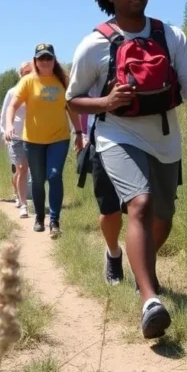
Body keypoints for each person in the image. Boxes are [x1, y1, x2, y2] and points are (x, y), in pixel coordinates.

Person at [66, 0, 187, 340]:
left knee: (163, 218)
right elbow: (73, 100)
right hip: (117, 134)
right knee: (140, 203)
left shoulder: (172, 36)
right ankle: (150, 299)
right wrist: (105, 103)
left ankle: (139, 269)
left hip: (165, 137)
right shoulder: (94, 44)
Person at [4, 44, 84, 237]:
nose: (45, 62)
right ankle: (40, 216)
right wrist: (8, 125)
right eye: (41, 58)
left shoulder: (63, 81)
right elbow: (12, 106)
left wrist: (80, 133)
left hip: (59, 138)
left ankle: (54, 221)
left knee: (55, 175)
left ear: (54, 60)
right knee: (38, 180)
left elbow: (71, 109)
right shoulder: (28, 81)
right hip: (33, 140)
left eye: (48, 58)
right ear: (35, 61)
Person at [77, 112, 125, 286]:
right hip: (101, 140)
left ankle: (146, 271)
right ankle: (113, 253)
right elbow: (80, 94)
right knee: (110, 210)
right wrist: (82, 133)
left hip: (143, 138)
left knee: (145, 208)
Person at [0, 61, 34, 218]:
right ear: (20, 74)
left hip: (34, 137)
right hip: (16, 137)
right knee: (22, 168)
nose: (28, 75)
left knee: (30, 171)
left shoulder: (38, 92)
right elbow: (5, 114)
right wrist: (5, 131)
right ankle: (24, 205)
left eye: (31, 72)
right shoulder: (12, 92)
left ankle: (22, 196)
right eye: (25, 72)